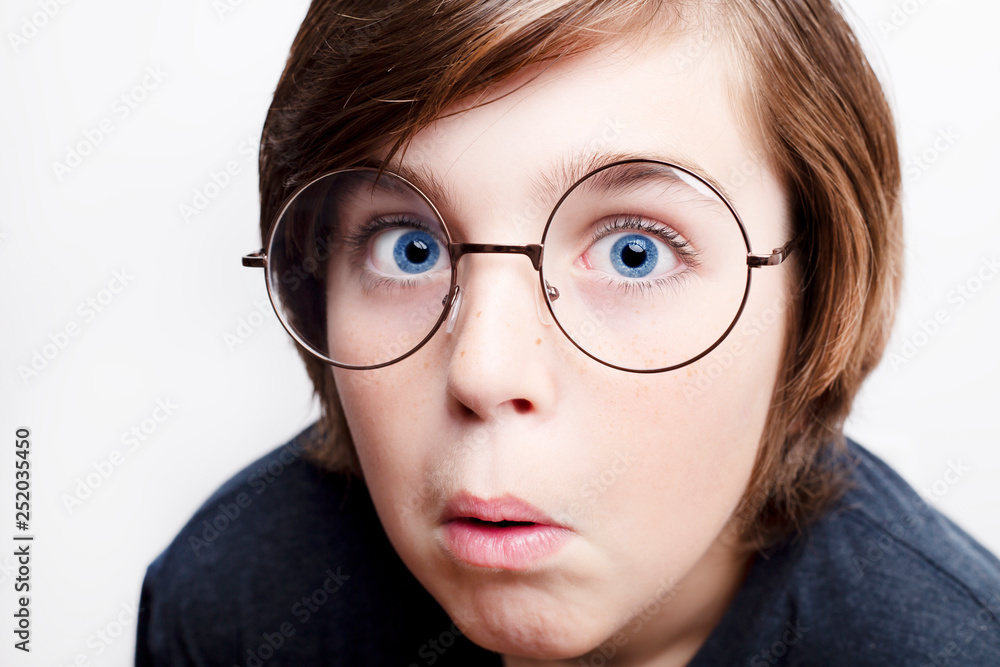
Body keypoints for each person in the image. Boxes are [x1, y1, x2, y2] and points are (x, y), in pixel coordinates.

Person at [136, 0, 1000, 665]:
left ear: (814, 296)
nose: (483, 369)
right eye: (410, 246)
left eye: (633, 252)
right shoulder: (239, 604)